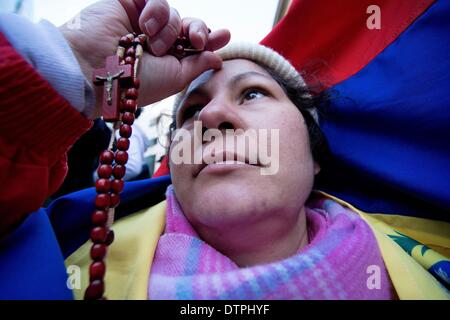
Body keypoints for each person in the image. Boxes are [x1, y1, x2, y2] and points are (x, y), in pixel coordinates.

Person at [0, 0, 448, 300]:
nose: (211, 117)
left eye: (252, 94)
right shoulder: (58, 252)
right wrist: (74, 63)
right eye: (191, 109)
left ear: (314, 156)